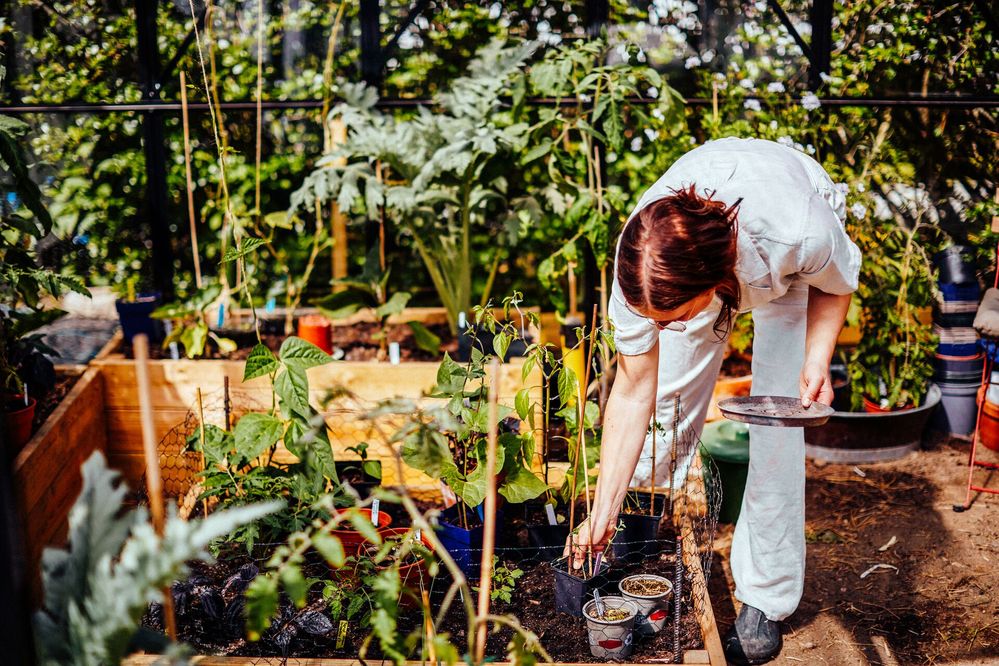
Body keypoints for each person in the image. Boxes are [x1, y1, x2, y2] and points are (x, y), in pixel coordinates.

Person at [565, 137, 861, 665]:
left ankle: (765, 599)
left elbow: (836, 284)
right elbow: (633, 392)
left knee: (776, 424)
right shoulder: (642, 261)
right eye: (653, 319)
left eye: (673, 317)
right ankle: (631, 530)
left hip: (787, 251)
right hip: (697, 256)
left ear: (714, 286)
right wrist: (599, 511)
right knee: (667, 404)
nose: (662, 330)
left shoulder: (800, 232)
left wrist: (816, 359)